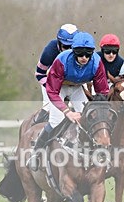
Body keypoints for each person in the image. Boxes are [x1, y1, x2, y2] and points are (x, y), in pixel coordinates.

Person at [27, 31, 109, 171]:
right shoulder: (62, 60)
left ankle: (97, 154)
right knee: (56, 120)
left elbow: (102, 91)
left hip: (77, 88)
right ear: (73, 51)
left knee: (90, 117)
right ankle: (36, 153)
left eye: (88, 54)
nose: (84, 57)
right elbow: (52, 91)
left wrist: (97, 108)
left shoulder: (96, 62)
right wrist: (67, 112)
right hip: (59, 88)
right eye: (80, 54)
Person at [33, 23, 78, 124]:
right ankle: (37, 132)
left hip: (73, 83)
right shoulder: (49, 52)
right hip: (52, 82)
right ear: (59, 43)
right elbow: (39, 74)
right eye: (66, 47)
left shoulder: (81, 51)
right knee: (49, 108)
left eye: (72, 47)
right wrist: (51, 87)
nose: (69, 50)